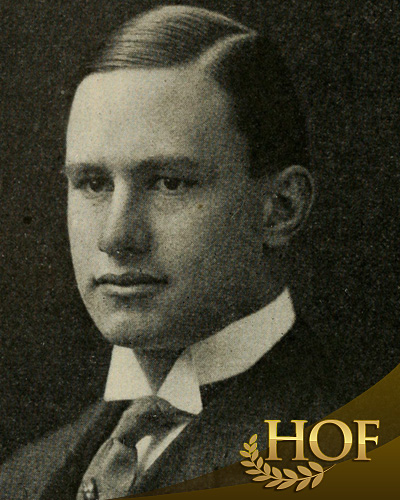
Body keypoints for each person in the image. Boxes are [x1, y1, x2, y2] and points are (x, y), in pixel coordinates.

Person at [0, 5, 341, 499]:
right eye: (93, 183)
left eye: (169, 183)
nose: (116, 237)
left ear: (280, 208)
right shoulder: (25, 475)